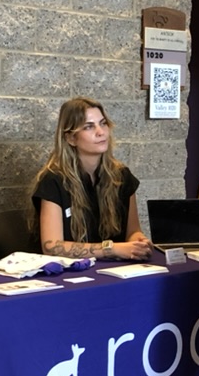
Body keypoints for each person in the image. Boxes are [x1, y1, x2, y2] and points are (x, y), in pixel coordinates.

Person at [31, 97, 153, 262]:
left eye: (103, 123)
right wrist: (111, 249)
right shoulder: (54, 180)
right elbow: (51, 247)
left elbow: (132, 231)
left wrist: (139, 241)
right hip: (72, 274)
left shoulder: (122, 176)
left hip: (119, 270)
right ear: (71, 138)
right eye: (89, 127)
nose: (101, 132)